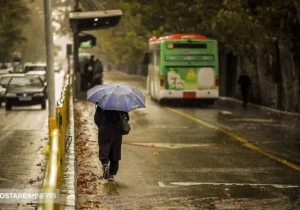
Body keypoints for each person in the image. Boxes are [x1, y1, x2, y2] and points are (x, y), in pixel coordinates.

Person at [94, 105, 130, 181]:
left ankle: (105, 163)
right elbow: (126, 118)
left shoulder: (102, 104)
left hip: (104, 130)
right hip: (116, 131)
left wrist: (101, 126)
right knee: (115, 151)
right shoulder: (121, 104)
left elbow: (96, 118)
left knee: (104, 149)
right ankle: (111, 174)